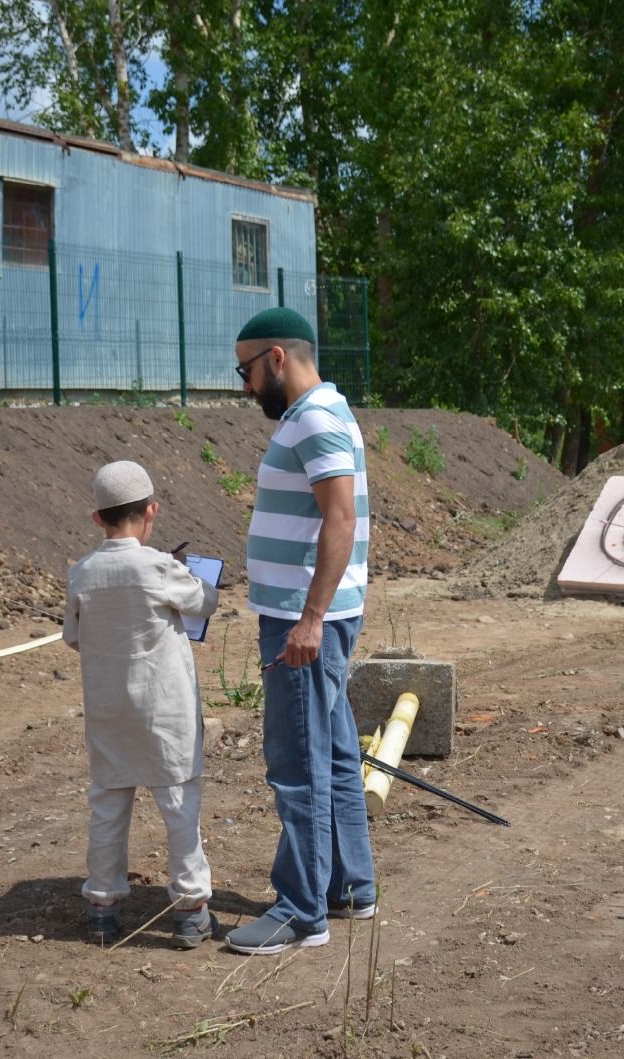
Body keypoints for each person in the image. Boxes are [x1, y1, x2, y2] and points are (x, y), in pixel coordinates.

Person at [223, 307, 376, 956]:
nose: (247, 386)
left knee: (298, 763)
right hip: (315, 614)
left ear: (277, 358)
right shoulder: (326, 411)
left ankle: (300, 910)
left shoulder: (313, 417)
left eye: (247, 370)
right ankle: (348, 885)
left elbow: (339, 517)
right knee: (335, 753)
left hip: (304, 620)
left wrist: (310, 617)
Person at [63, 461, 221, 948]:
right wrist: (186, 573)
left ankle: (103, 906)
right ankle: (191, 908)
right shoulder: (158, 566)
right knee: (178, 804)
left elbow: (73, 637)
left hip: (108, 712)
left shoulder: (82, 573)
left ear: (97, 518)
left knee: (108, 805)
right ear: (151, 511)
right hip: (165, 712)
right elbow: (205, 602)